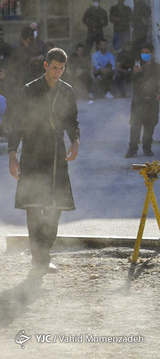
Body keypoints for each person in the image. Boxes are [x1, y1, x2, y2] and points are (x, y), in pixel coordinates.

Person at [6, 48, 80, 275]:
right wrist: (12, 154)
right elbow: (16, 123)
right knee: (34, 206)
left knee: (54, 207)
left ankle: (44, 253)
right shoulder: (28, 91)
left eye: (62, 68)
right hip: (33, 152)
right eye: (54, 67)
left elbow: (71, 120)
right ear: (46, 65)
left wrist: (75, 141)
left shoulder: (66, 91)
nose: (58, 72)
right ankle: (39, 260)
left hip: (57, 153)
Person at [125, 42, 160, 158]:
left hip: (151, 101)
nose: (145, 55)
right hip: (138, 100)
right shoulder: (137, 66)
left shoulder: (156, 67)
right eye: (143, 53)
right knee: (135, 126)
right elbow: (128, 80)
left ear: (152, 54)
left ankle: (147, 148)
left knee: (149, 126)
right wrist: (133, 72)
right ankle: (132, 150)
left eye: (147, 53)